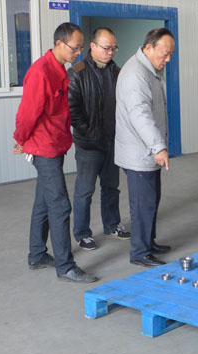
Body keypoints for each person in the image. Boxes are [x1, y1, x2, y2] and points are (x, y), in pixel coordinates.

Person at [13, 22, 98, 283]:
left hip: (55, 144)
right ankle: (65, 266)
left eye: (81, 48)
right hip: (44, 148)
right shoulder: (41, 71)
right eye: (75, 48)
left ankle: (37, 254)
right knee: (60, 205)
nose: (78, 53)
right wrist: (20, 139)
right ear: (59, 43)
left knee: (43, 202)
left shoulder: (60, 69)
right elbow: (27, 113)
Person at [115, 28, 174, 267]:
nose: (167, 59)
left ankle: (149, 242)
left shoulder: (150, 69)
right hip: (138, 152)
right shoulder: (135, 74)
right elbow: (140, 115)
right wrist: (158, 146)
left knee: (151, 199)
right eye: (164, 53)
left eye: (170, 54)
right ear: (149, 47)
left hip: (145, 150)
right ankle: (140, 252)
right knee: (142, 204)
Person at [68, 27, 130, 251]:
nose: (110, 52)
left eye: (114, 48)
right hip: (88, 144)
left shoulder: (119, 73)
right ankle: (82, 233)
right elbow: (72, 111)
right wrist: (89, 133)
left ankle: (112, 225)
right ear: (93, 46)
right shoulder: (77, 73)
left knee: (111, 187)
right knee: (85, 191)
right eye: (106, 47)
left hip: (113, 142)